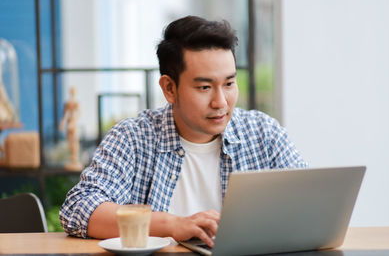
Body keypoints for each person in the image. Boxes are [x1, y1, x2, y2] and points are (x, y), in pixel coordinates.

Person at [59, 16, 307, 247]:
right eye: (204, 87)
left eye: (229, 83)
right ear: (169, 88)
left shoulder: (264, 134)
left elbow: (312, 202)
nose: (221, 102)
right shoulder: (134, 138)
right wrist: (173, 225)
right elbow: (79, 209)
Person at [59, 87, 83, 171]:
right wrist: (62, 123)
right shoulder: (68, 103)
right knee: (69, 140)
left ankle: (75, 157)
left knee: (75, 139)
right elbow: (65, 114)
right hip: (69, 122)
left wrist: (74, 121)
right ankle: (72, 157)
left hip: (73, 122)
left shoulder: (76, 103)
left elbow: (79, 113)